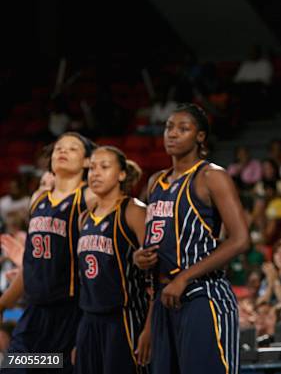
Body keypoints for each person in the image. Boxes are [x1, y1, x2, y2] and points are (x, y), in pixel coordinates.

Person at [133, 104, 249, 374]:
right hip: (164, 299)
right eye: (169, 127)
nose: (172, 134)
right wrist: (140, 256)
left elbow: (240, 239)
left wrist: (184, 277)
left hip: (202, 295)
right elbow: (156, 242)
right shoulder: (155, 182)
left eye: (183, 129)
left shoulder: (211, 176)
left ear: (200, 137)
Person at [0, 132, 97, 373]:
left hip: (69, 312)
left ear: (87, 162)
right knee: (13, 366)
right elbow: (30, 266)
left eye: (72, 149)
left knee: (52, 367)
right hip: (34, 311)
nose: (62, 152)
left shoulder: (90, 197)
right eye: (58, 148)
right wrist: (2, 304)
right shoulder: (38, 199)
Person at [74, 146, 152, 373]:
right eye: (92, 168)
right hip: (89, 319)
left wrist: (149, 328)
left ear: (121, 174)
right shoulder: (84, 218)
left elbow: (156, 273)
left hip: (124, 318)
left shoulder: (133, 211)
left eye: (104, 167)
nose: (95, 173)